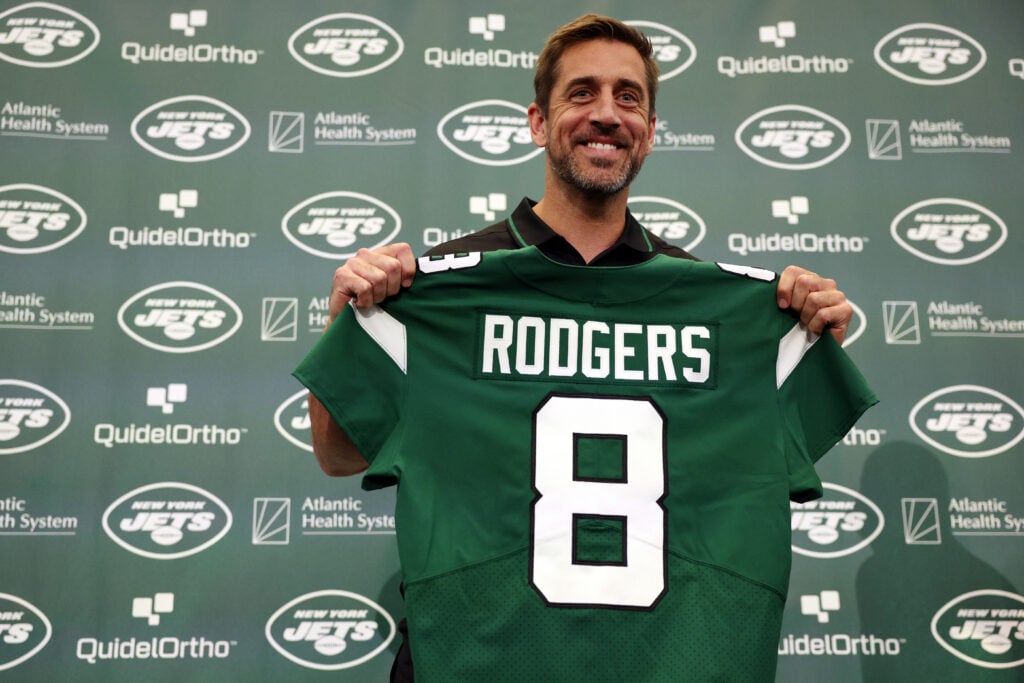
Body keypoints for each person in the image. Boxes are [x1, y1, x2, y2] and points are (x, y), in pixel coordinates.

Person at [296, 14, 874, 681]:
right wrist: (348, 319)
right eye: (582, 93)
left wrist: (803, 339)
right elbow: (337, 453)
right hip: (472, 657)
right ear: (539, 122)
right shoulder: (439, 287)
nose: (606, 113)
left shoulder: (727, 314)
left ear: (651, 132)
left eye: (629, 97)